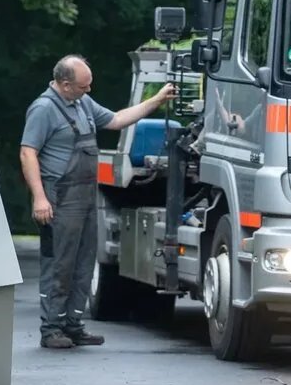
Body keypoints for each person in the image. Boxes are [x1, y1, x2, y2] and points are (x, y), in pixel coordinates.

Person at [19, 54, 176, 349]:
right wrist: (39, 197)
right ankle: (51, 328)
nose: (88, 91)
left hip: (85, 197)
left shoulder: (82, 104)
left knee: (83, 263)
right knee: (59, 265)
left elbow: (117, 120)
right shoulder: (43, 109)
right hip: (60, 198)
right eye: (83, 86)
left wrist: (156, 100)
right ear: (65, 85)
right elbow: (28, 153)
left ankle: (73, 325)